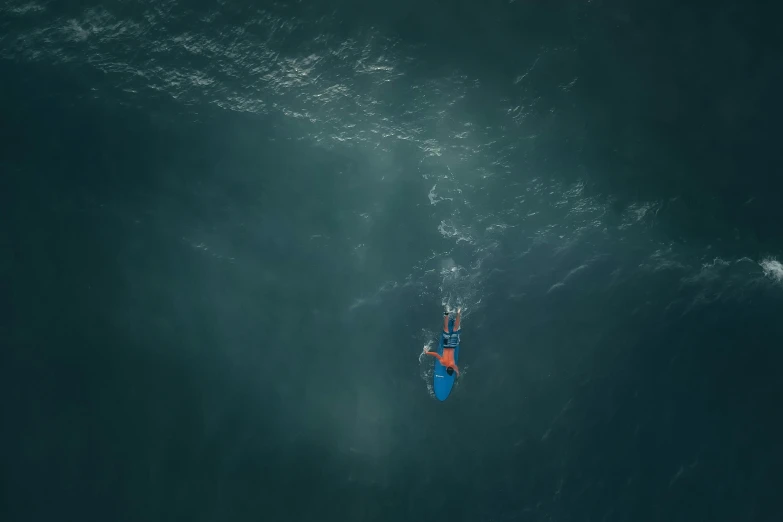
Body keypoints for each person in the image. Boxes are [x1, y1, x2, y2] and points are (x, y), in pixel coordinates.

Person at [425, 307, 461, 376]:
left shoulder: (453, 365)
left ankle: (458, 312)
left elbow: (456, 369)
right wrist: (427, 352)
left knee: (455, 329)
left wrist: (458, 373)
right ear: (446, 368)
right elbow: (436, 354)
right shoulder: (443, 362)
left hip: (452, 345)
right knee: (446, 328)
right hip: (446, 344)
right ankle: (447, 312)